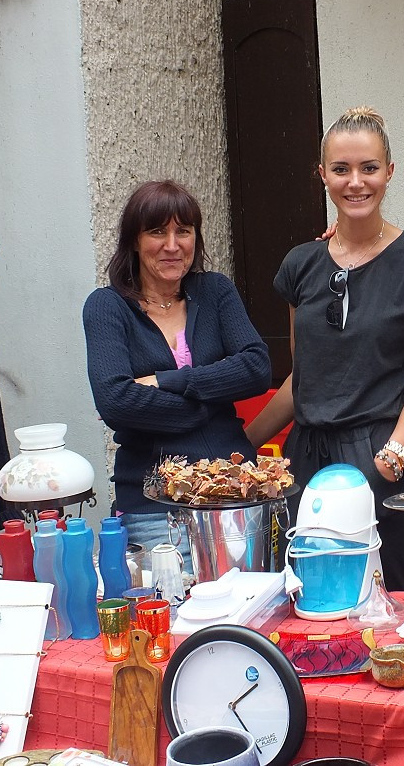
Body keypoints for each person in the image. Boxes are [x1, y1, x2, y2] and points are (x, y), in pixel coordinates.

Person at [246, 106, 404, 591]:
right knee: (316, 601)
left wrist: (395, 454)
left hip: (382, 458)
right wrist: (243, 444)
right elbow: (305, 379)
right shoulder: (301, 264)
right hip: (307, 464)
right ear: (323, 175)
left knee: (396, 606)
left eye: (369, 168)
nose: (356, 182)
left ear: (390, 171)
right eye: (341, 169)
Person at [83, 180, 271, 552]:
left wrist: (167, 380)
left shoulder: (215, 292)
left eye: (183, 231)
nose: (172, 245)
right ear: (134, 240)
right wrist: (207, 402)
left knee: (252, 607)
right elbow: (115, 400)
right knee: (170, 605)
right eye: (157, 232)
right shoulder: (107, 307)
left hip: (235, 493)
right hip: (155, 507)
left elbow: (257, 366)